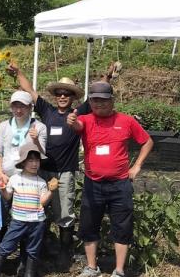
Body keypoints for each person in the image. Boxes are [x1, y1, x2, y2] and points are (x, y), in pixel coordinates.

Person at [9, 62, 119, 258]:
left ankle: (64, 254)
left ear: (72, 98)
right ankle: (37, 250)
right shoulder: (47, 111)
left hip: (64, 172)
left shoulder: (78, 113)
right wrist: (18, 72)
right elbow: (30, 90)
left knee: (64, 213)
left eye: (66, 94)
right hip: (41, 171)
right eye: (59, 93)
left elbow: (95, 94)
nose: (62, 96)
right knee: (36, 208)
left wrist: (108, 77)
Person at [67, 82, 153, 277]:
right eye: (94, 100)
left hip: (119, 184)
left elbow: (147, 141)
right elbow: (76, 126)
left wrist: (137, 166)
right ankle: (91, 267)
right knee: (89, 224)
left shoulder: (126, 121)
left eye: (103, 100)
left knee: (122, 226)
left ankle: (119, 271)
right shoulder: (86, 120)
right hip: (93, 183)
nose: (99, 104)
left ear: (112, 101)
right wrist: (70, 121)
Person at [0, 145, 57, 277]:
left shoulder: (41, 182)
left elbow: (43, 202)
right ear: (23, 162)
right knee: (7, 245)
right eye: (30, 160)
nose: (34, 164)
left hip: (37, 222)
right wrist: (2, 189)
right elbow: (8, 197)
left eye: (37, 161)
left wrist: (51, 191)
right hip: (18, 221)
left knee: (32, 250)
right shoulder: (14, 178)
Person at [0, 91, 48, 184]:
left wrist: (36, 141)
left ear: (30, 107)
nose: (18, 110)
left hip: (30, 180)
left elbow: (42, 155)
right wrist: (0, 173)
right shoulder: (4, 126)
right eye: (15, 106)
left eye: (23, 106)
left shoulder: (40, 127)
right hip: (6, 178)